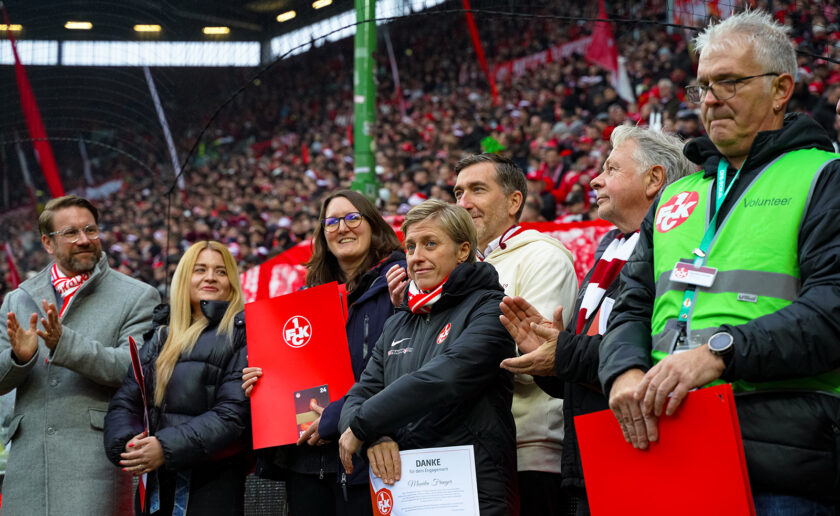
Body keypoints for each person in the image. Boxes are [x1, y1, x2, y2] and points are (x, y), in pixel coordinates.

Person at [598, 11, 840, 513]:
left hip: (780, 458)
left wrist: (720, 352)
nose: (710, 99)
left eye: (729, 82)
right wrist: (622, 371)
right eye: (703, 86)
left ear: (780, 90)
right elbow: (632, 303)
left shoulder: (824, 176)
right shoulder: (677, 195)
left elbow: (832, 306)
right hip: (671, 443)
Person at [498, 125, 694, 515]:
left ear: (654, 179)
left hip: (649, 450)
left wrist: (565, 351)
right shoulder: (612, 247)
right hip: (591, 454)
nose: (595, 179)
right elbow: (590, 368)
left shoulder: (680, 244)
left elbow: (661, 347)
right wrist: (550, 359)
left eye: (611, 168)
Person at [338, 200, 517, 516]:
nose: (416, 256)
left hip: (472, 491)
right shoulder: (397, 321)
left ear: (463, 251)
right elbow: (359, 395)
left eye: (430, 244)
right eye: (409, 247)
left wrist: (364, 424)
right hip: (405, 491)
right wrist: (375, 436)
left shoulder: (491, 309)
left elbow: (446, 378)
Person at [242, 190, 405, 516]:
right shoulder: (304, 298)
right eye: (331, 222)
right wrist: (262, 384)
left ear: (373, 224)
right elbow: (296, 374)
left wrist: (336, 419)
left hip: (369, 454)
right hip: (307, 462)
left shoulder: (398, 282)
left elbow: (397, 369)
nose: (342, 228)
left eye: (352, 218)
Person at [0, 195, 160, 516]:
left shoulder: (138, 296)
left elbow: (134, 370)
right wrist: (19, 359)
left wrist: (65, 345)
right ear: (48, 243)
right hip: (27, 467)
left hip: (95, 464)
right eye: (71, 233)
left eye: (90, 230)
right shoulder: (17, 300)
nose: (84, 239)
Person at [104, 241, 250, 515]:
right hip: (154, 484)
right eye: (200, 269)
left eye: (221, 271)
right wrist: (129, 445)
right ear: (184, 278)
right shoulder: (160, 336)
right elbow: (125, 403)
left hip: (213, 486)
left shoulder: (243, 333)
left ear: (231, 281)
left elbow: (233, 415)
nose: (210, 277)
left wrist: (164, 447)